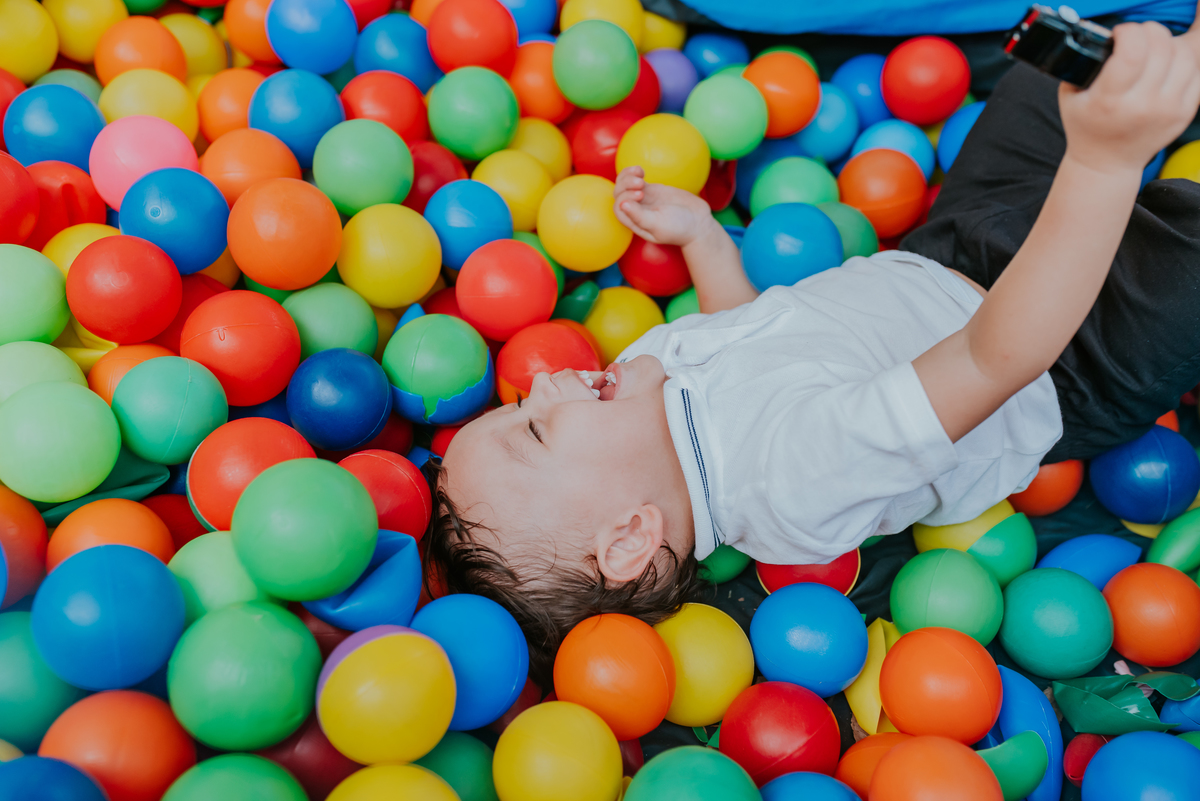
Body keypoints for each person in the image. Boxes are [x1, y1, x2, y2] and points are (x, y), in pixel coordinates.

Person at [426, 14, 1200, 685]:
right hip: (1071, 353)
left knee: (1047, 85)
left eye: (518, 403)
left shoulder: (652, 383)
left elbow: (757, 336)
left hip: (951, 252)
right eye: (535, 427)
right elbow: (992, 360)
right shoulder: (792, 481)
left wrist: (704, 239)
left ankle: (1162, 71)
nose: (547, 383)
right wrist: (1103, 164)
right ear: (630, 533)